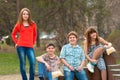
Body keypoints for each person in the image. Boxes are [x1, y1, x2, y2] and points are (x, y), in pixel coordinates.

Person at [11, 8, 37, 80]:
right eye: (24, 14)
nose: (25, 15)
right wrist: (16, 42)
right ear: (21, 15)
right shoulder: (19, 24)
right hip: (20, 47)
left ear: (29, 15)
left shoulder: (33, 24)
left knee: (32, 62)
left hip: (30, 47)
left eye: (27, 14)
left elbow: (35, 35)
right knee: (23, 64)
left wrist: (33, 43)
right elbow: (13, 34)